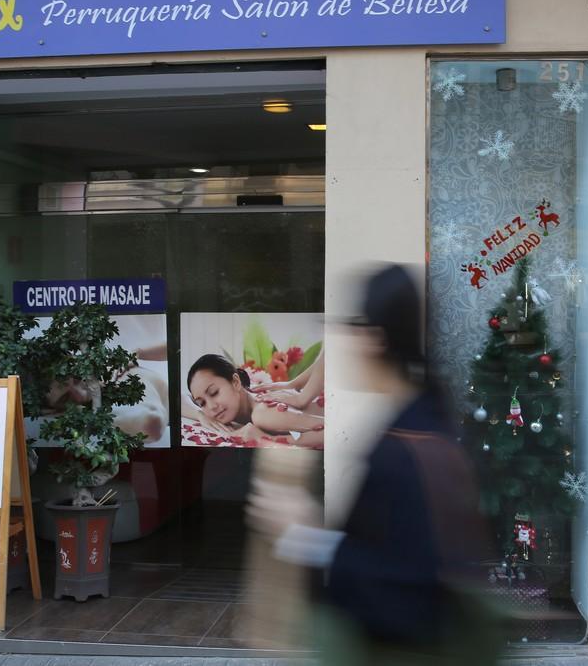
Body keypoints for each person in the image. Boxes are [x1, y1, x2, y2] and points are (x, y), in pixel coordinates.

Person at [247, 264, 501, 665]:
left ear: (374, 339)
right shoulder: (425, 421)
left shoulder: (404, 449)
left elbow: (402, 585)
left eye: (349, 327)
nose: (340, 345)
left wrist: (304, 535)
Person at [185, 353, 325, 449]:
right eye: (201, 403)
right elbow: (177, 397)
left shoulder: (262, 414)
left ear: (235, 382)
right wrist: (200, 415)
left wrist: (266, 439)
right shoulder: (256, 398)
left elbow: (332, 431)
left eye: (214, 393)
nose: (211, 407)